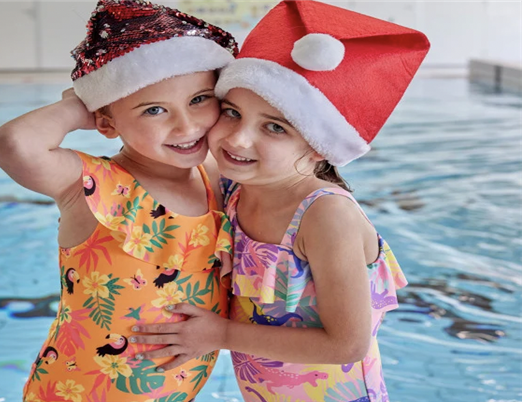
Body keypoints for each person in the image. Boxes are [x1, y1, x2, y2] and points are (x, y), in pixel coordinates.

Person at [129, 1, 430, 401]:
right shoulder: (236, 188)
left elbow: (347, 345)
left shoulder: (325, 216)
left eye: (274, 127)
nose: (238, 139)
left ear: (319, 146)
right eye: (232, 112)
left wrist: (220, 334)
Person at [0, 0, 238, 400]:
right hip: (77, 391)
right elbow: (14, 144)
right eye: (154, 110)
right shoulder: (90, 186)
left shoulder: (213, 178)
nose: (186, 125)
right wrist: (81, 104)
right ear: (105, 122)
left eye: (199, 99)